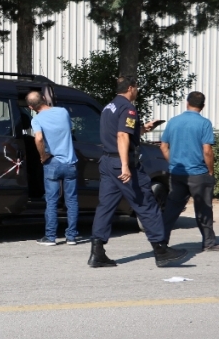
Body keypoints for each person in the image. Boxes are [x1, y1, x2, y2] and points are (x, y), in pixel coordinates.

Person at [88, 75, 188, 268]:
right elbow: (122, 135)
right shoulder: (128, 108)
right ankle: (161, 249)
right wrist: (125, 165)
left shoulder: (109, 107)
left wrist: (143, 129)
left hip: (107, 162)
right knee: (147, 204)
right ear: (131, 88)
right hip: (122, 163)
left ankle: (97, 252)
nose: (138, 91)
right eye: (137, 88)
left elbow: (121, 132)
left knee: (106, 206)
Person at [160, 91, 219, 251]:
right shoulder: (204, 123)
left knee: (172, 209)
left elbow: (163, 146)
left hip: (177, 173)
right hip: (198, 173)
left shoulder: (173, 122)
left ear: (187, 103)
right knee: (204, 209)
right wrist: (210, 171)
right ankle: (209, 243)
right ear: (203, 106)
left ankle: (161, 241)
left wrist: (172, 163)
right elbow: (207, 150)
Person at [27, 91, 80, 246]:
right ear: (44, 99)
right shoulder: (63, 112)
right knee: (72, 200)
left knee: (51, 201)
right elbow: (70, 130)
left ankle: (50, 237)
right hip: (70, 162)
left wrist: (43, 156)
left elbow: (39, 138)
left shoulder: (36, 120)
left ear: (31, 107)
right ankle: (71, 236)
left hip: (52, 163)